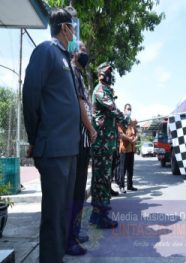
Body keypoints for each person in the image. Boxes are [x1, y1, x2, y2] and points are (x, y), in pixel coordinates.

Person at [22, 8, 81, 263]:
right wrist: (36, 139)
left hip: (69, 149)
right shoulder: (46, 51)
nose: (75, 32)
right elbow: (31, 95)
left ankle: (56, 257)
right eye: (73, 26)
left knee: (62, 214)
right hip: (53, 149)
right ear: (64, 28)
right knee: (53, 215)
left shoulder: (66, 58)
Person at [66, 41, 97, 256]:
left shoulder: (79, 74)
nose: (85, 53)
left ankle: (75, 232)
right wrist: (91, 129)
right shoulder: (73, 72)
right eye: (82, 49)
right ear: (74, 52)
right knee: (75, 191)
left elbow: (86, 104)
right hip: (79, 140)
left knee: (79, 190)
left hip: (84, 141)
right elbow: (79, 105)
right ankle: (69, 238)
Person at [89, 63, 128, 228]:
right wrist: (124, 118)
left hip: (106, 142)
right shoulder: (100, 90)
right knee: (103, 179)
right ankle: (102, 216)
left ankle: (96, 214)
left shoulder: (105, 90)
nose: (110, 75)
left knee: (100, 179)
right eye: (107, 72)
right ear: (100, 74)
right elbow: (112, 109)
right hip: (102, 143)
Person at [117, 104, 138, 192]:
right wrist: (129, 139)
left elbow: (136, 134)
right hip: (124, 149)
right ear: (124, 110)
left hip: (132, 148)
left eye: (130, 109)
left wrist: (135, 139)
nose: (129, 110)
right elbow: (121, 134)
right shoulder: (121, 121)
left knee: (130, 169)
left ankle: (130, 185)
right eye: (128, 109)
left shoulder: (132, 122)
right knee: (123, 169)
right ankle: (122, 186)